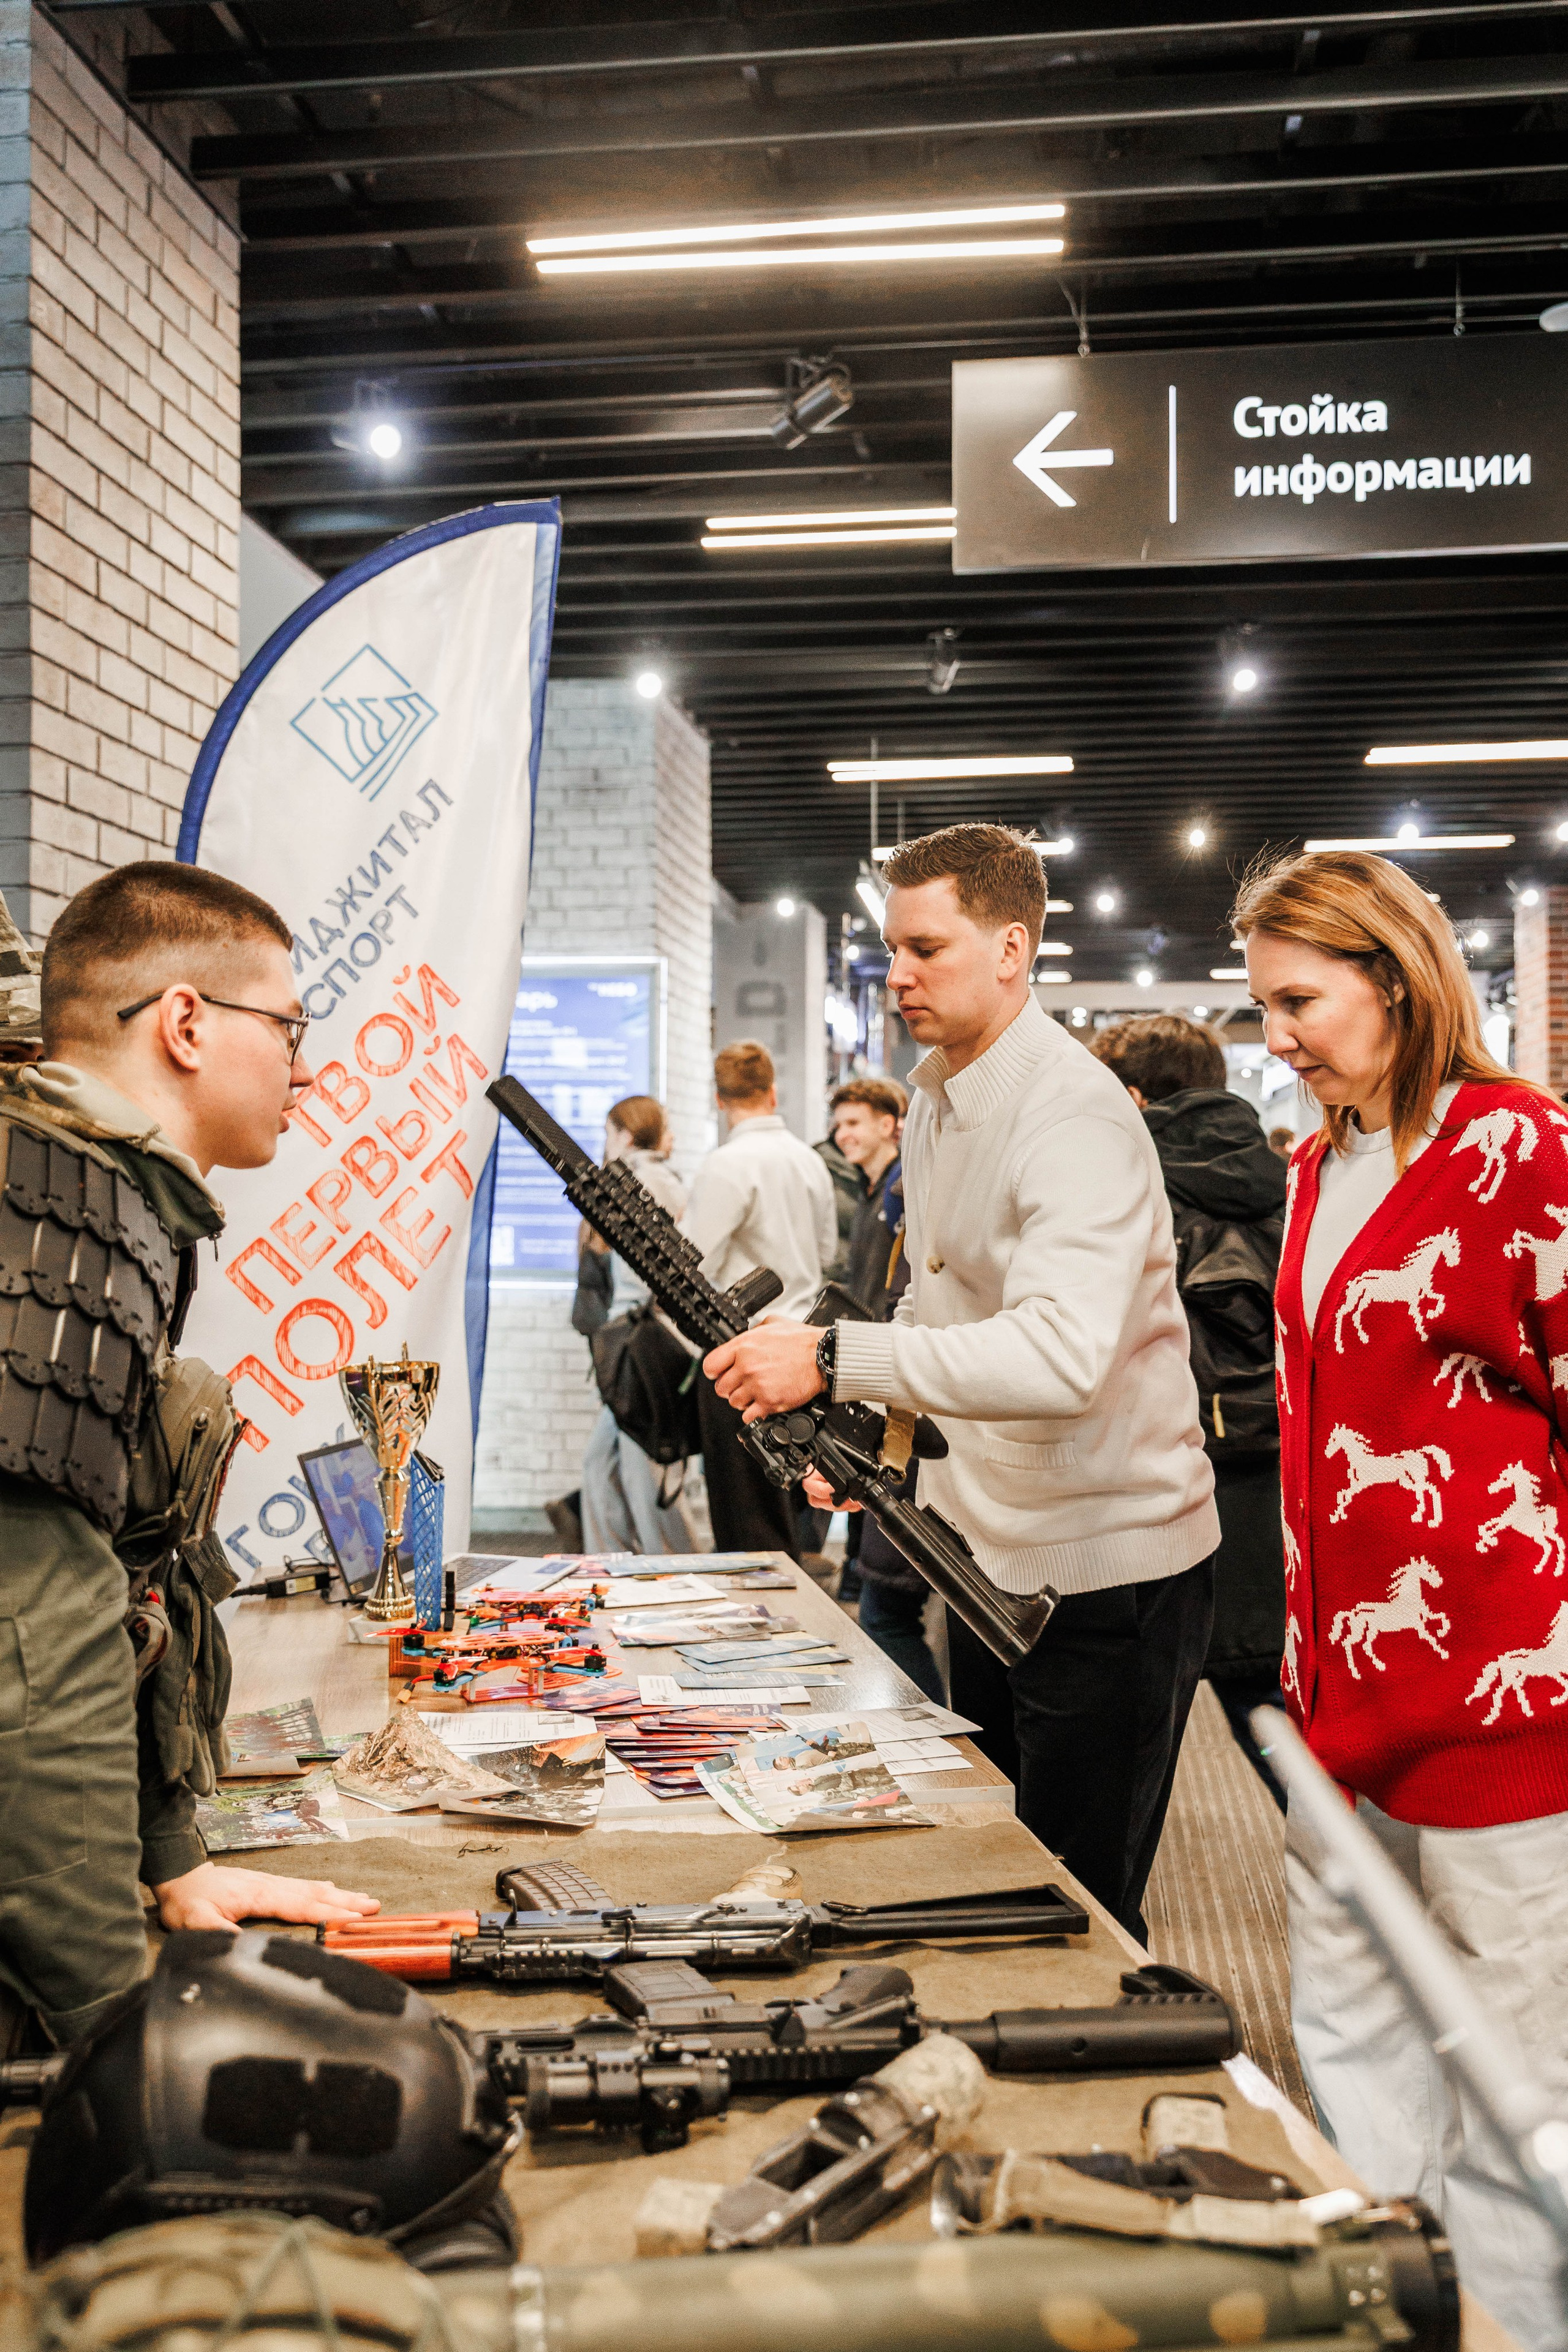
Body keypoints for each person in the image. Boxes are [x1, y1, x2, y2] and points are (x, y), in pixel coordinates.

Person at [703, 826, 1218, 1939]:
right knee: (1007, 1873)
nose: (896, 976)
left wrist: (831, 1358)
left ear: (1012, 949)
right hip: (986, 1557)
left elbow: (1057, 1355)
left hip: (1104, 1575)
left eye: (925, 948)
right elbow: (938, 1314)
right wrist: (876, 1446)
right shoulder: (939, 1096)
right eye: (892, 948)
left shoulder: (1073, 1113)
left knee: (1080, 1913)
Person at [1236, 848, 1568, 2351]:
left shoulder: (1520, 1150)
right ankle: (1395, 2318)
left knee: (1511, 2076)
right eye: (1261, 1009)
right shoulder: (1310, 1168)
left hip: (1499, 1709)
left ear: (1393, 974)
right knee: (1355, 2052)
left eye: (1299, 1001)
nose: (1278, 1038)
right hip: (1335, 1714)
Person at [0, 862, 378, 2051]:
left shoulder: (98, 1193)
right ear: (182, 1023)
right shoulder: (61, 1208)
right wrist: (117, 2031)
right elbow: (31, 1648)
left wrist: (170, 1863)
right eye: (288, 1027)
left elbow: (130, 1568)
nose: (307, 1066)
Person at [1090, 1014, 1288, 1807]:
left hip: (1150, 1475)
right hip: (1272, 1464)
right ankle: (1355, 1879)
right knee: (1265, 1699)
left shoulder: (1126, 1185)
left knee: (1121, 1730)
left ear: (1134, 1096)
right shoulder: (1292, 1174)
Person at [683, 1039, 837, 1559]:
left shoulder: (725, 1165)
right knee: (796, 1513)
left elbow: (693, 1261)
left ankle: (760, 1633)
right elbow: (827, 1250)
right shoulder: (810, 1162)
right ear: (773, 1092)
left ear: (720, 1100)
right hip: (807, 1350)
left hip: (744, 1359)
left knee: (745, 1521)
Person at [579, 1095, 692, 1556]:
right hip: (640, 1338)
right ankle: (610, 1569)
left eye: (609, 1134)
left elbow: (647, 1277)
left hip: (639, 1342)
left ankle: (678, 1572)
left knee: (642, 1474)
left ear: (624, 1136)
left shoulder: (638, 1181)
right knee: (603, 1467)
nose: (606, 1145)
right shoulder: (664, 1179)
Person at [832, 1076, 908, 1313]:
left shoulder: (903, 1189)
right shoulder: (866, 1189)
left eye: (853, 1123)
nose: (842, 1135)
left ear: (886, 1126)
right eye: (838, 1126)